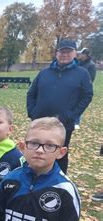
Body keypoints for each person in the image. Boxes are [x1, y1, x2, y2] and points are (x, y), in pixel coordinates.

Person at [26, 39, 93, 174]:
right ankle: (33, 178)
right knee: (35, 151)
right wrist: (33, 112)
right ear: (57, 53)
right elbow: (31, 93)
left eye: (68, 51)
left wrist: (71, 115)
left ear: (75, 53)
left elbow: (87, 96)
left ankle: (57, 183)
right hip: (39, 121)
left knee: (59, 153)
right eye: (62, 51)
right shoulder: (44, 73)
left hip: (64, 123)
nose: (65, 54)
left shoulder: (82, 73)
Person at [75, 48, 97, 129]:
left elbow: (91, 78)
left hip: (83, 89)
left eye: (81, 54)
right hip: (75, 87)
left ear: (85, 55)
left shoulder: (91, 65)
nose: (79, 55)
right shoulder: (79, 62)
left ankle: (76, 122)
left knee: (80, 104)